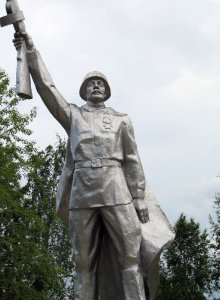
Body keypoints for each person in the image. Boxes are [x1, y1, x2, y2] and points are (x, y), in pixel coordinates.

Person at [13, 33, 173, 300]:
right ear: (84, 90)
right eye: (91, 83)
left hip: (116, 191)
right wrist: (31, 51)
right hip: (82, 193)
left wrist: (138, 197)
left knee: (130, 259)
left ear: (107, 90)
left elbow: (132, 160)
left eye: (100, 83)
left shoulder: (121, 120)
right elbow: (47, 88)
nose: (96, 86)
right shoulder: (74, 116)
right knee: (82, 262)